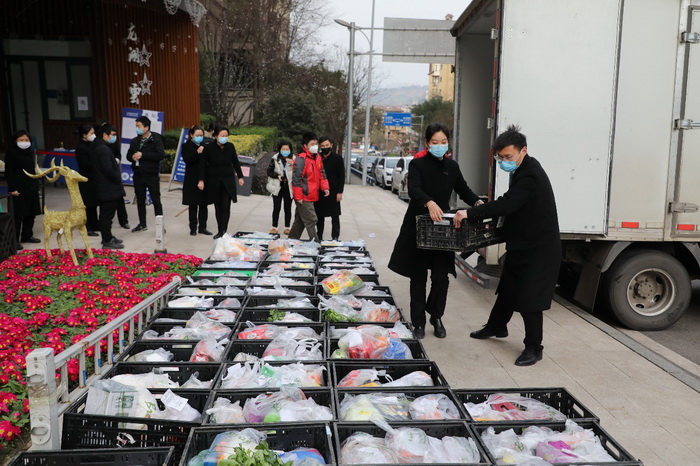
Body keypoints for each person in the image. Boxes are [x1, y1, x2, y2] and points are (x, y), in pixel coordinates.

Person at [454, 125, 561, 366]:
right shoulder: (521, 170)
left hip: (539, 249)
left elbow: (509, 203)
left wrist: (471, 213)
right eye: (500, 157)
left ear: (524, 151)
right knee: (509, 288)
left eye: (508, 157)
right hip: (523, 243)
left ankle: (534, 348)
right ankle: (496, 327)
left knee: (530, 300)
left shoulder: (531, 174)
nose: (504, 162)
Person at [388, 123, 483, 340]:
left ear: (448, 143)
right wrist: (429, 202)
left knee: (442, 277)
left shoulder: (452, 166)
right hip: (419, 225)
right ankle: (418, 322)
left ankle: (436, 316)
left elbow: (463, 189)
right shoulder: (418, 164)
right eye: (435, 142)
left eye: (443, 142)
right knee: (418, 277)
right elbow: (414, 189)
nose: (439, 146)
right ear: (427, 143)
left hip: (442, 229)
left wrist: (478, 203)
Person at [198, 125, 244, 239]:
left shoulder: (230, 146)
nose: (225, 138)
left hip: (228, 180)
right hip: (214, 181)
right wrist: (201, 180)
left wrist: (240, 177)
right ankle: (220, 229)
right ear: (215, 136)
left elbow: (235, 162)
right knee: (218, 206)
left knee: (226, 206)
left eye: (226, 136)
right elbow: (202, 165)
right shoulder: (209, 148)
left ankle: (224, 230)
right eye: (222, 136)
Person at [89, 124, 125, 249]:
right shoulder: (103, 149)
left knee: (107, 215)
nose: (114, 137)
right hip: (107, 187)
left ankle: (108, 236)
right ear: (105, 135)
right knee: (106, 215)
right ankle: (106, 240)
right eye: (113, 135)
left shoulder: (99, 146)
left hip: (105, 186)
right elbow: (108, 170)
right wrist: (117, 177)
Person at [288, 132, 329, 241]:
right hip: (303, 195)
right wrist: (298, 196)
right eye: (312, 144)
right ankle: (315, 242)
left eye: (316, 143)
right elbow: (296, 179)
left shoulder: (317, 158)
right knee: (311, 219)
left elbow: (322, 173)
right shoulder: (301, 159)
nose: (315, 146)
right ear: (305, 146)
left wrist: (325, 187)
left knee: (300, 221)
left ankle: (291, 240)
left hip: (312, 194)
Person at [126, 115, 164, 232]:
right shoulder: (135, 141)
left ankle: (160, 226)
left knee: (156, 200)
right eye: (136, 126)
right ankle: (142, 224)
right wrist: (132, 157)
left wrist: (143, 155)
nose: (137, 128)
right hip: (138, 175)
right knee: (140, 200)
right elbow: (128, 156)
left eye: (139, 126)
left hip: (151, 174)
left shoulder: (156, 139)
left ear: (146, 127)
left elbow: (160, 155)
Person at [5, 130, 41, 247]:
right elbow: (9, 172)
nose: (24, 142)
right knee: (18, 214)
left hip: (30, 186)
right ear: (16, 141)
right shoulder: (11, 152)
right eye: (21, 140)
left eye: (26, 140)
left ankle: (27, 235)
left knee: (31, 213)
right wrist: (12, 188)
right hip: (18, 188)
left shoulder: (29, 152)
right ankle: (14, 240)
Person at [182, 125, 212, 236]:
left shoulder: (206, 145)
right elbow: (187, 160)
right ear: (191, 135)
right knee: (193, 204)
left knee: (204, 204)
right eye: (197, 135)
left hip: (204, 177)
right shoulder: (186, 146)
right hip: (191, 178)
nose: (200, 137)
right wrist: (197, 153)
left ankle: (203, 227)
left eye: (201, 135)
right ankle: (193, 227)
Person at [314, 136, 345, 240]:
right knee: (319, 216)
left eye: (327, 145)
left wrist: (339, 192)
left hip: (334, 191)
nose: (325, 147)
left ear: (331, 145)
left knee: (335, 216)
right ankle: (319, 236)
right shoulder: (317, 158)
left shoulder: (338, 158)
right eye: (322, 146)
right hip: (319, 191)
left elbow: (341, 177)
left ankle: (335, 237)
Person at [75, 124, 100, 236]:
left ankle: (95, 224)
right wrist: (97, 164)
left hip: (93, 178)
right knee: (88, 204)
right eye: (91, 133)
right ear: (84, 135)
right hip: (86, 179)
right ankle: (87, 226)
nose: (93, 135)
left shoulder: (91, 145)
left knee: (93, 203)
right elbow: (85, 164)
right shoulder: (81, 148)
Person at [266, 140, 294, 235]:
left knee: (288, 208)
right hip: (277, 187)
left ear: (290, 150)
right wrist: (276, 175)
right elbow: (269, 171)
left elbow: (299, 172)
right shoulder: (275, 159)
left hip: (289, 187)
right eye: (283, 149)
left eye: (287, 149)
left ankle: (287, 227)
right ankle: (274, 227)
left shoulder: (294, 159)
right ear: (280, 149)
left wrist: (294, 164)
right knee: (276, 207)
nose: (285, 151)